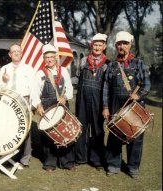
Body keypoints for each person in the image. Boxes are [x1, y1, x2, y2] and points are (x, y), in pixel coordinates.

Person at [102, 31, 151, 178]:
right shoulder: (111, 66)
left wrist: (138, 94)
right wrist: (105, 107)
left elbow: (147, 84)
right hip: (116, 104)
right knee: (115, 135)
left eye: (125, 43)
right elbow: (106, 88)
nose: (122, 46)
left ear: (130, 45)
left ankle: (133, 167)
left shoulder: (139, 64)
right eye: (119, 44)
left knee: (135, 136)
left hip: (135, 106)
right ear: (116, 46)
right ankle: (113, 165)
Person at [0, 43, 42, 167]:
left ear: (21, 54)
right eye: (13, 51)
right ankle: (9, 157)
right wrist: (4, 81)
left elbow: (34, 89)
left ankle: (25, 158)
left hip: (24, 100)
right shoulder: (4, 68)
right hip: (9, 101)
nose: (16, 53)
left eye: (18, 51)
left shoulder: (28, 69)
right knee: (10, 129)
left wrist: (35, 105)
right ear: (10, 54)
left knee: (25, 129)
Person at [35, 44, 75, 172]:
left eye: (52, 57)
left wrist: (65, 97)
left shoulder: (63, 70)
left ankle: (66, 161)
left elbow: (69, 88)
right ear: (43, 58)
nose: (49, 59)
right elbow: (35, 92)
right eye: (47, 57)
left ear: (56, 58)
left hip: (62, 105)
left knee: (65, 132)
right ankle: (50, 162)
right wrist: (38, 105)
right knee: (48, 135)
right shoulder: (40, 73)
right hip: (47, 105)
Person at [74, 33, 110, 170]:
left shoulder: (107, 64)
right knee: (81, 127)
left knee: (97, 128)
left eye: (100, 45)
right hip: (82, 97)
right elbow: (77, 77)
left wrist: (106, 105)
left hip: (98, 99)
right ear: (91, 45)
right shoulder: (83, 61)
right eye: (95, 44)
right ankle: (80, 157)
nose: (97, 47)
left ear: (104, 46)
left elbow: (108, 85)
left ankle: (96, 159)